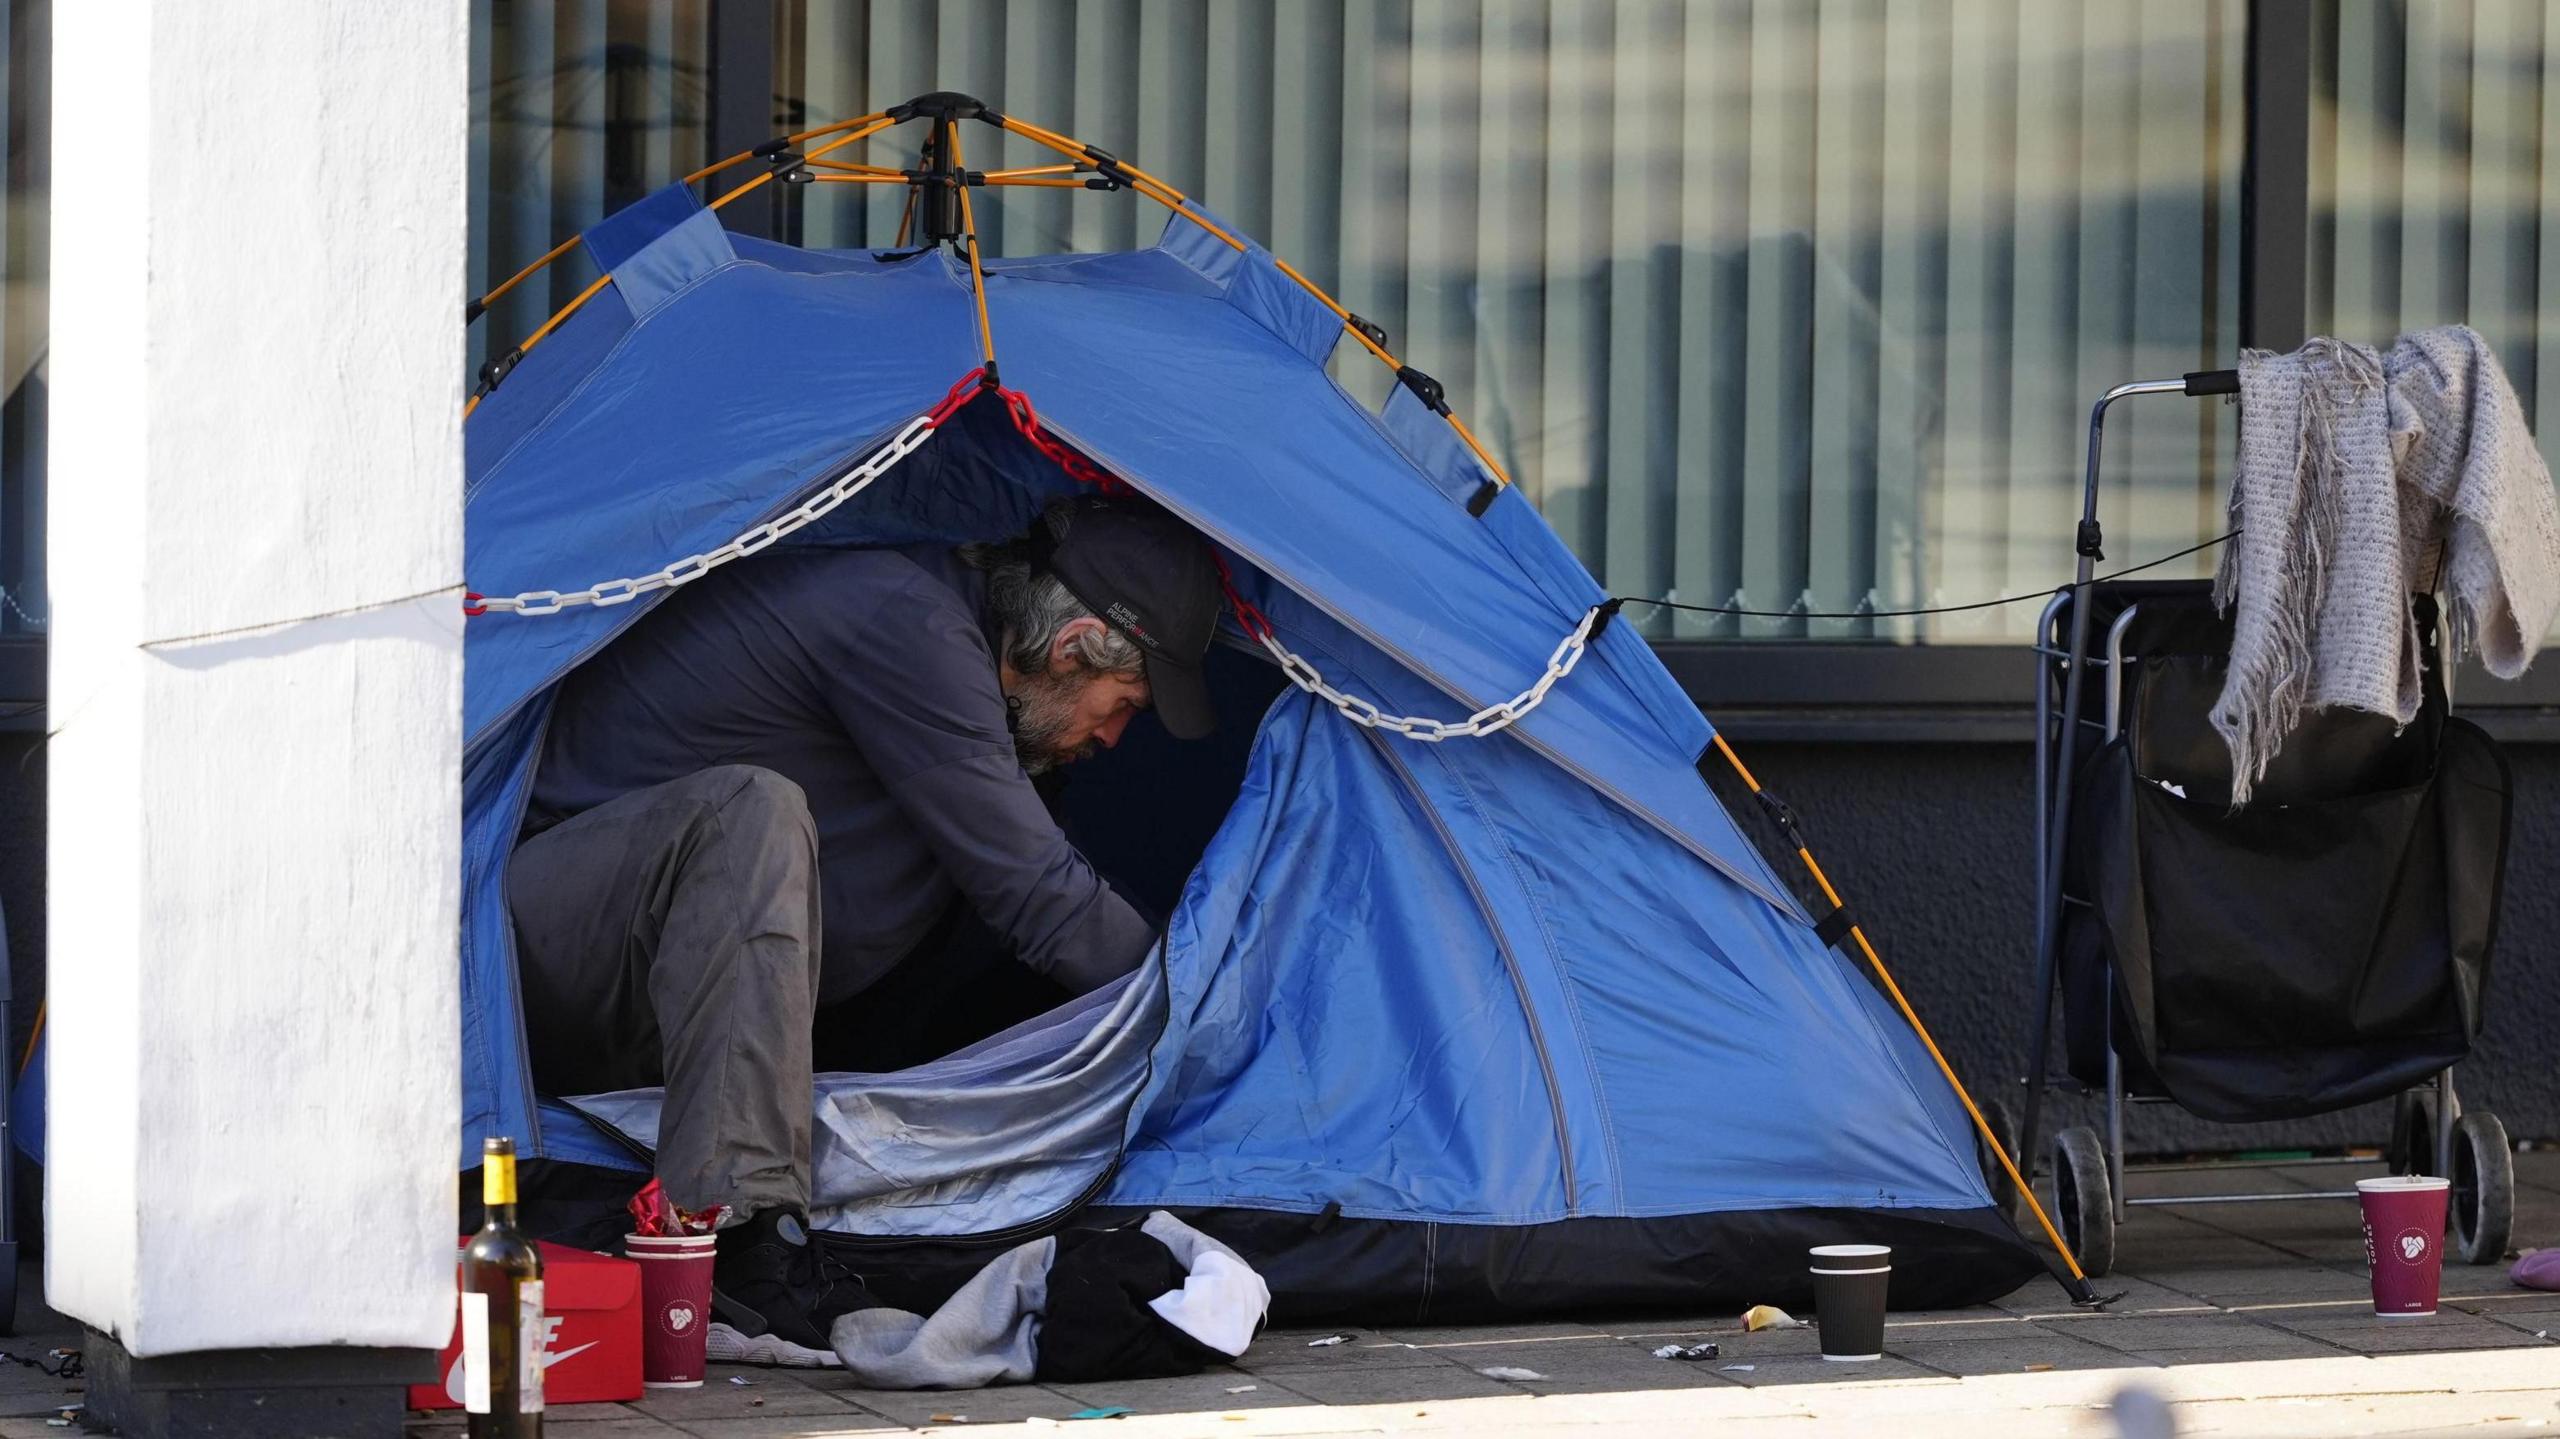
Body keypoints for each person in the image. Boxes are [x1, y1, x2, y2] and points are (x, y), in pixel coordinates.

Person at [504, 493, 1223, 1356]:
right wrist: (1208, 1017)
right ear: (1072, 648)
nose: (1114, 736)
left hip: (653, 982)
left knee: (946, 877)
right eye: (1125, 703)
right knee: (752, 813)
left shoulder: (963, 664)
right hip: (533, 948)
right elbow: (1041, 896)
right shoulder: (906, 623)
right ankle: (740, 1238)